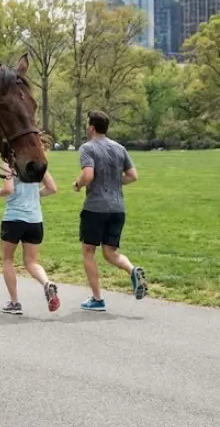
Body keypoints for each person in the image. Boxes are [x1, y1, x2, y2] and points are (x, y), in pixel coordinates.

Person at [73, 110, 147, 311]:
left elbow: (88, 175)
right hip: (117, 207)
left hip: (95, 207)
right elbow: (132, 175)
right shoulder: (120, 148)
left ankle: (97, 299)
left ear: (91, 127)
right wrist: (115, 182)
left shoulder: (88, 148)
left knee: (89, 251)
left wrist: (78, 185)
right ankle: (133, 270)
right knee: (110, 252)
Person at [0, 143, 60, 314]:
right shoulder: (37, 163)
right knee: (31, 262)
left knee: (7, 259)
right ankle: (47, 283)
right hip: (35, 220)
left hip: (14, 219)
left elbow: (9, 189)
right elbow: (52, 188)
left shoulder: (10, 163)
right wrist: (34, 195)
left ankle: (15, 303)